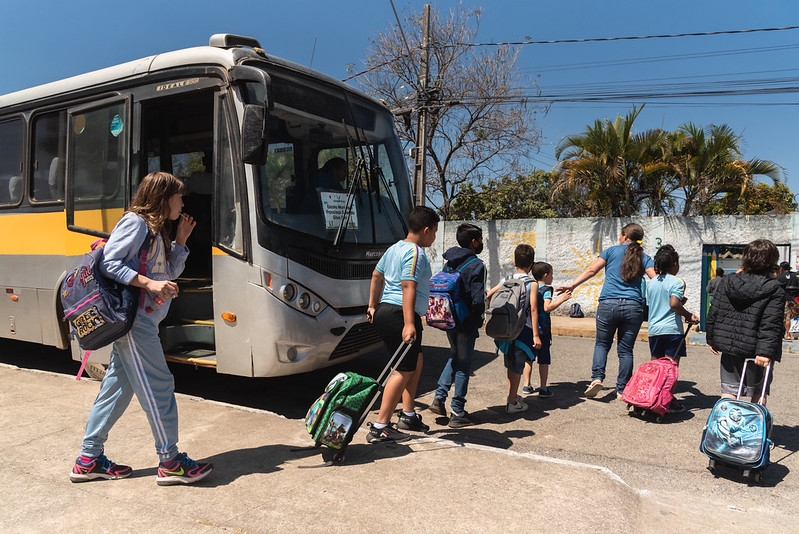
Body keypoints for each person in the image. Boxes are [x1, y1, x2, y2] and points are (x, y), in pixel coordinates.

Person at [70, 171, 213, 486]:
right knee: (159, 385)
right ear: (163, 197)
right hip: (136, 321)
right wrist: (150, 283)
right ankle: (170, 461)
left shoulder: (155, 230)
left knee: (116, 391)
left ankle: (88, 459)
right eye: (178, 196)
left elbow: (167, 270)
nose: (182, 202)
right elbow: (110, 262)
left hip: (144, 318)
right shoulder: (135, 223)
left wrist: (181, 241)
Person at [365, 205, 440, 442]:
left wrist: (372, 306)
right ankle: (380, 426)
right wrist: (409, 323)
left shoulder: (394, 248)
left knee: (415, 361)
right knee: (401, 370)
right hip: (401, 315)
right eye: (435, 232)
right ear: (426, 230)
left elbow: (377, 275)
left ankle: (407, 414)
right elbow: (409, 286)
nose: (434, 237)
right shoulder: (415, 253)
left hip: (386, 311)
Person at [556, 223, 656, 399]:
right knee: (626, 350)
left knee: (602, 344)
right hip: (634, 306)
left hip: (608, 303)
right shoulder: (644, 256)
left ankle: (597, 378)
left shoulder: (611, 251)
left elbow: (592, 270)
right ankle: (622, 388)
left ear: (624, 235)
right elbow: (655, 279)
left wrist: (572, 285)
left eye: (620, 235)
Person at [706, 239, 783, 405]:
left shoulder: (727, 281)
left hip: (730, 346)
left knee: (729, 391)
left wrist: (711, 338)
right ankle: (753, 428)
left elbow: (714, 311)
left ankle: (726, 428)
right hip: (757, 350)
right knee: (759, 392)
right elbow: (771, 323)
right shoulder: (773, 287)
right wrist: (765, 352)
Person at [428, 223, 486, 428]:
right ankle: (458, 411)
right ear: (473, 241)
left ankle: (439, 398)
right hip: (466, 320)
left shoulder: (449, 262)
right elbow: (478, 299)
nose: (482, 243)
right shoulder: (477, 265)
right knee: (463, 364)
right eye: (480, 239)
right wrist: (479, 318)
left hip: (448, 318)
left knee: (455, 355)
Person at [486, 244, 541, 414]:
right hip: (522, 330)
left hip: (506, 328)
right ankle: (512, 402)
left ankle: (512, 396)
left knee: (510, 365)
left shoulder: (506, 279)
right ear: (532, 264)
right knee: (518, 365)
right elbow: (532, 309)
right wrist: (536, 335)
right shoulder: (532, 283)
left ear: (514, 261)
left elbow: (488, 296)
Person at [645, 245, 699, 413]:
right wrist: (688, 315)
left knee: (656, 365)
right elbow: (673, 303)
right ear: (675, 263)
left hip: (654, 330)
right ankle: (668, 400)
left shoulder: (651, 283)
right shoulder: (678, 281)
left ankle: (652, 397)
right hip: (672, 331)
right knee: (671, 367)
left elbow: (656, 305)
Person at [521, 262, 571, 398]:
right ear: (546, 275)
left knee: (528, 357)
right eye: (552, 274)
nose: (552, 278)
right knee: (543, 359)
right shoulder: (546, 290)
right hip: (542, 329)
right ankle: (543, 388)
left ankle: (527, 384)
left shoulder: (529, 286)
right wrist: (562, 299)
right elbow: (547, 307)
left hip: (529, 328)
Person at [776, 261, 799, 339]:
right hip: (795, 299)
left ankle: (788, 335)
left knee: (787, 317)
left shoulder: (780, 277)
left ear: (781, 268)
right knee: (795, 317)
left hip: (785, 299)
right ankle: (795, 335)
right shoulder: (796, 275)